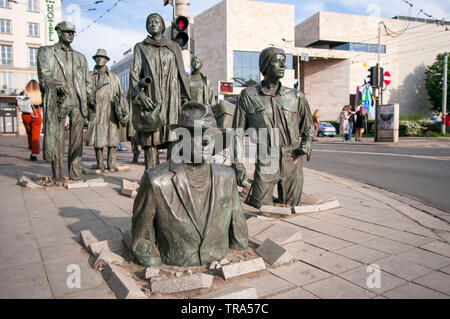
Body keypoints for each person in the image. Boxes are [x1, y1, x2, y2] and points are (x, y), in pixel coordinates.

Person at [132, 102, 248, 267]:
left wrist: (239, 260)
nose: (208, 141)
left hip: (220, 263)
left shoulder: (227, 177)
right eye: (199, 134)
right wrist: (157, 269)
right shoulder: (156, 181)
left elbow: (239, 231)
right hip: (176, 266)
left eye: (212, 134)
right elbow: (142, 239)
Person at [232, 47, 315, 209]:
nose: (282, 66)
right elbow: (237, 134)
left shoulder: (296, 96)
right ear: (265, 66)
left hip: (292, 158)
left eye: (284, 62)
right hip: (266, 158)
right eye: (278, 62)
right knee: (260, 207)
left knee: (292, 209)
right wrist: (238, 165)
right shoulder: (248, 96)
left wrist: (307, 143)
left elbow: (309, 127)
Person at [129, 13, 191, 169]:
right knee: (151, 141)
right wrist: (141, 95)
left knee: (173, 138)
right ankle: (151, 179)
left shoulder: (174, 47)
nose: (153, 23)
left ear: (163, 26)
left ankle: (171, 177)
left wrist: (185, 98)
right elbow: (134, 75)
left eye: (156, 21)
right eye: (149, 21)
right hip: (152, 99)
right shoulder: (141, 47)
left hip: (172, 99)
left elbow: (182, 75)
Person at [37, 21, 93, 183]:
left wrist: (90, 98)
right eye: (67, 31)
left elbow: (87, 82)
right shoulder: (47, 52)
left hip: (77, 101)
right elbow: (45, 75)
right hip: (59, 101)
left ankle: (75, 174)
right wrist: (55, 85)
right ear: (59, 32)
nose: (70, 34)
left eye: (72, 32)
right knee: (57, 138)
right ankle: (57, 174)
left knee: (77, 142)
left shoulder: (80, 58)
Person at [86, 49, 128, 172]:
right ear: (95, 59)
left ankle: (111, 163)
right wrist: (90, 100)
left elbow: (121, 95)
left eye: (102, 57)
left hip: (111, 111)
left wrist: (124, 111)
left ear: (106, 60)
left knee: (112, 139)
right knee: (97, 140)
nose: (100, 59)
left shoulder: (114, 77)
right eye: (97, 57)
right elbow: (86, 91)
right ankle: (100, 164)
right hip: (96, 110)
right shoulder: (89, 77)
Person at [21, 80, 43, 161]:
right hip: (36, 113)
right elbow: (42, 104)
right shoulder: (39, 93)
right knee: (35, 134)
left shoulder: (24, 92)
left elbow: (18, 103)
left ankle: (31, 149)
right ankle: (33, 154)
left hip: (26, 113)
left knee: (29, 133)